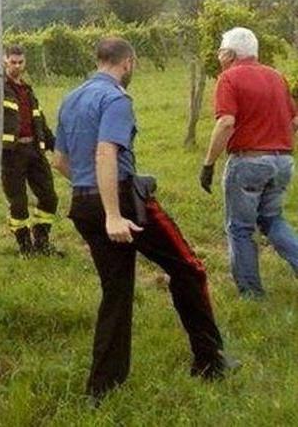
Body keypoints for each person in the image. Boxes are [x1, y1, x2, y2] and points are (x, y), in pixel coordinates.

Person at [52, 37, 233, 402]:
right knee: (188, 268)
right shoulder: (116, 98)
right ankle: (210, 361)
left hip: (83, 202)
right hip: (123, 204)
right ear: (128, 62)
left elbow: (59, 161)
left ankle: (102, 389)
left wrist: (90, 191)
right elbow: (106, 152)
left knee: (116, 294)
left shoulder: (70, 99)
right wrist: (114, 214)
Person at [200, 27, 298, 298]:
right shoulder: (277, 77)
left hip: (249, 162)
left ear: (230, 53)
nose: (219, 55)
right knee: (272, 219)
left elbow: (226, 122)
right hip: (283, 161)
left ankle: (251, 293)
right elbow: (294, 121)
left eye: (221, 50)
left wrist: (208, 164)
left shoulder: (229, 78)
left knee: (240, 228)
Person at [1, 44, 60, 257]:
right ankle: (25, 247)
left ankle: (42, 241)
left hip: (35, 151)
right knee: (18, 203)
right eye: (13, 62)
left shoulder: (28, 90)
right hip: (11, 154)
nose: (17, 66)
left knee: (49, 198)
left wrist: (56, 145)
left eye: (20, 62)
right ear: (4, 61)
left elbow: (40, 123)